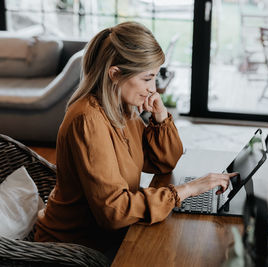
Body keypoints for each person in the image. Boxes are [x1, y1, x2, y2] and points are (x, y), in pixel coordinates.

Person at [34, 21, 236, 257]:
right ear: (115, 74)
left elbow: (164, 163)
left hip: (108, 234)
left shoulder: (123, 109)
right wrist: (188, 189)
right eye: (147, 78)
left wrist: (160, 118)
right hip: (75, 249)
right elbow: (114, 212)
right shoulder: (87, 120)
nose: (154, 89)